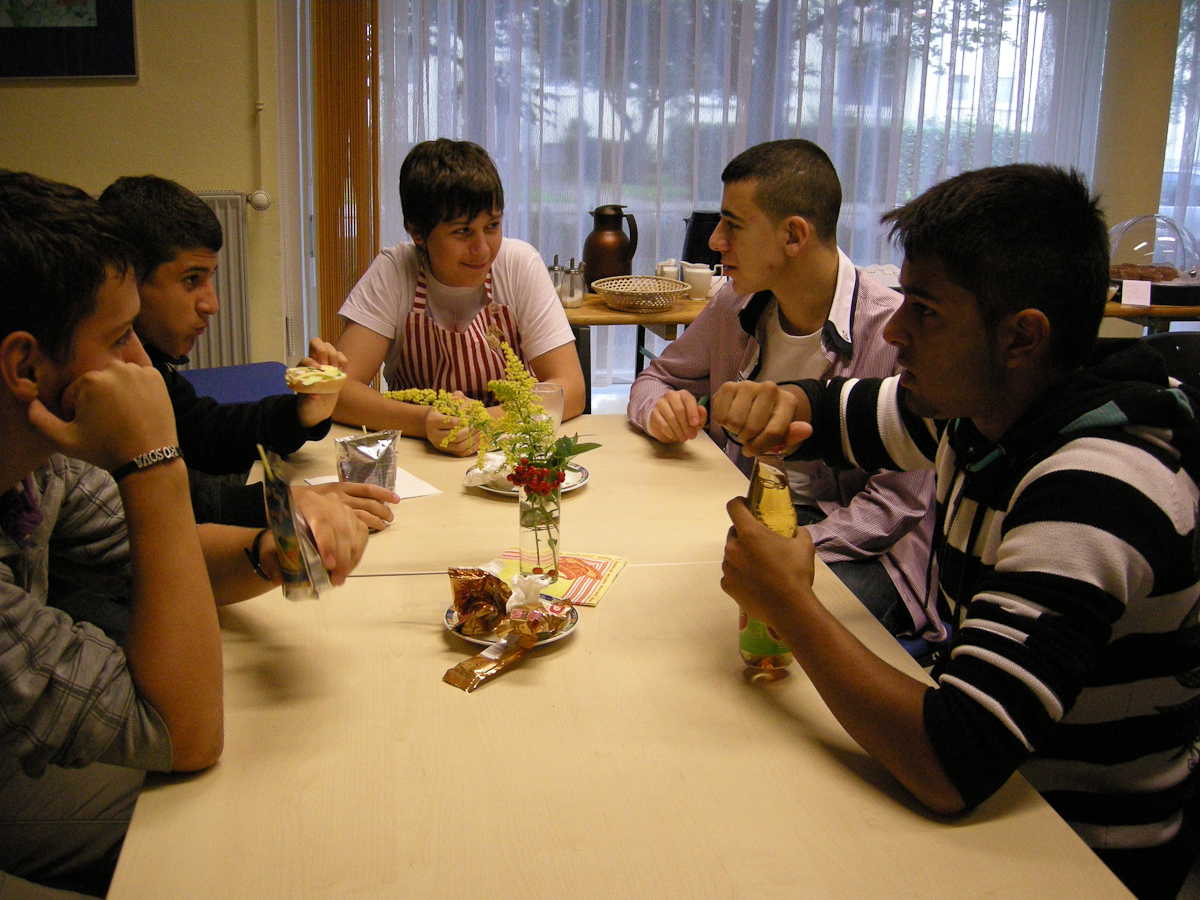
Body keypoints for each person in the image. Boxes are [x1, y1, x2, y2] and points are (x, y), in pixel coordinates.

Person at [713, 163, 1200, 900]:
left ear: (1021, 337)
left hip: (1076, 852)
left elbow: (951, 763)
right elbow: (843, 413)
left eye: (926, 312)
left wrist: (790, 605)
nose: (895, 331)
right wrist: (779, 400)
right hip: (1004, 804)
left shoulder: (1095, 488)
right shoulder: (985, 410)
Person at [0, 170, 368, 898]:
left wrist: (275, 548)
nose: (144, 367)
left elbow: (149, 554)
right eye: (119, 339)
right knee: (274, 822)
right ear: (24, 365)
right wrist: (155, 463)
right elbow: (184, 734)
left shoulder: (43, 467)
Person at [628, 140, 936, 637]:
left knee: (730, 621)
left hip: (865, 550)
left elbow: (896, 506)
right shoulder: (735, 304)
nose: (715, 241)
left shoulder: (890, 332)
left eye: (733, 225)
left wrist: (791, 549)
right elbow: (655, 378)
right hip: (756, 521)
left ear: (793, 235)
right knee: (653, 592)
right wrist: (660, 409)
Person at [97, 175, 397, 529]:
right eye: (192, 280)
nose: (212, 304)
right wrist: (278, 504)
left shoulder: (149, 365)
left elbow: (204, 432)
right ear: (125, 281)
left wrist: (300, 414)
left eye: (210, 278)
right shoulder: (95, 380)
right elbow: (152, 507)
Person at [333, 138, 586, 456]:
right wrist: (426, 421)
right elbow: (337, 391)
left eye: (492, 226)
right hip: (419, 453)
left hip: (510, 451)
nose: (482, 249)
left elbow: (571, 390)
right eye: (462, 231)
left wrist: (483, 422)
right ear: (417, 232)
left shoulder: (518, 264)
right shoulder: (395, 271)